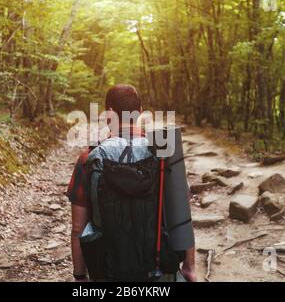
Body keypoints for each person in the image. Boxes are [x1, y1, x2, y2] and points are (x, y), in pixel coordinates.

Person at [67, 84, 197, 282]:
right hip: (159, 270)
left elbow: (78, 227)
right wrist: (189, 267)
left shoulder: (89, 158)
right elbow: (180, 214)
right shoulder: (163, 153)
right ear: (140, 113)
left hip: (107, 272)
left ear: (108, 113)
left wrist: (79, 276)